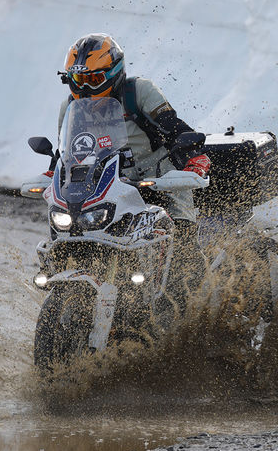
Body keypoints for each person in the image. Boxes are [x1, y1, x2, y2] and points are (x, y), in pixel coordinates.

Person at [57, 33, 210, 301]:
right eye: (78, 80)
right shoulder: (70, 107)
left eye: (94, 80)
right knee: (71, 237)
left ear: (114, 73)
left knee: (184, 252)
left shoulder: (138, 92)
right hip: (107, 192)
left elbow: (175, 128)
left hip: (160, 184)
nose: (85, 90)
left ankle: (202, 315)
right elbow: (67, 153)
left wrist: (194, 157)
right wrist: (53, 173)